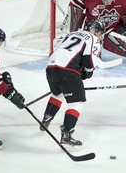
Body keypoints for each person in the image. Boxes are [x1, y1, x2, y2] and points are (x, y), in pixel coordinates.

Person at [39, 20, 104, 148]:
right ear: (96, 31)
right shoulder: (93, 38)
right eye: (101, 33)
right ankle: (66, 135)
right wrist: (88, 72)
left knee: (57, 94)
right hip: (67, 71)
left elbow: (58, 52)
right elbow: (88, 61)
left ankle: (47, 118)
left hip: (51, 68)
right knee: (76, 103)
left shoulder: (71, 34)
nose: (101, 36)